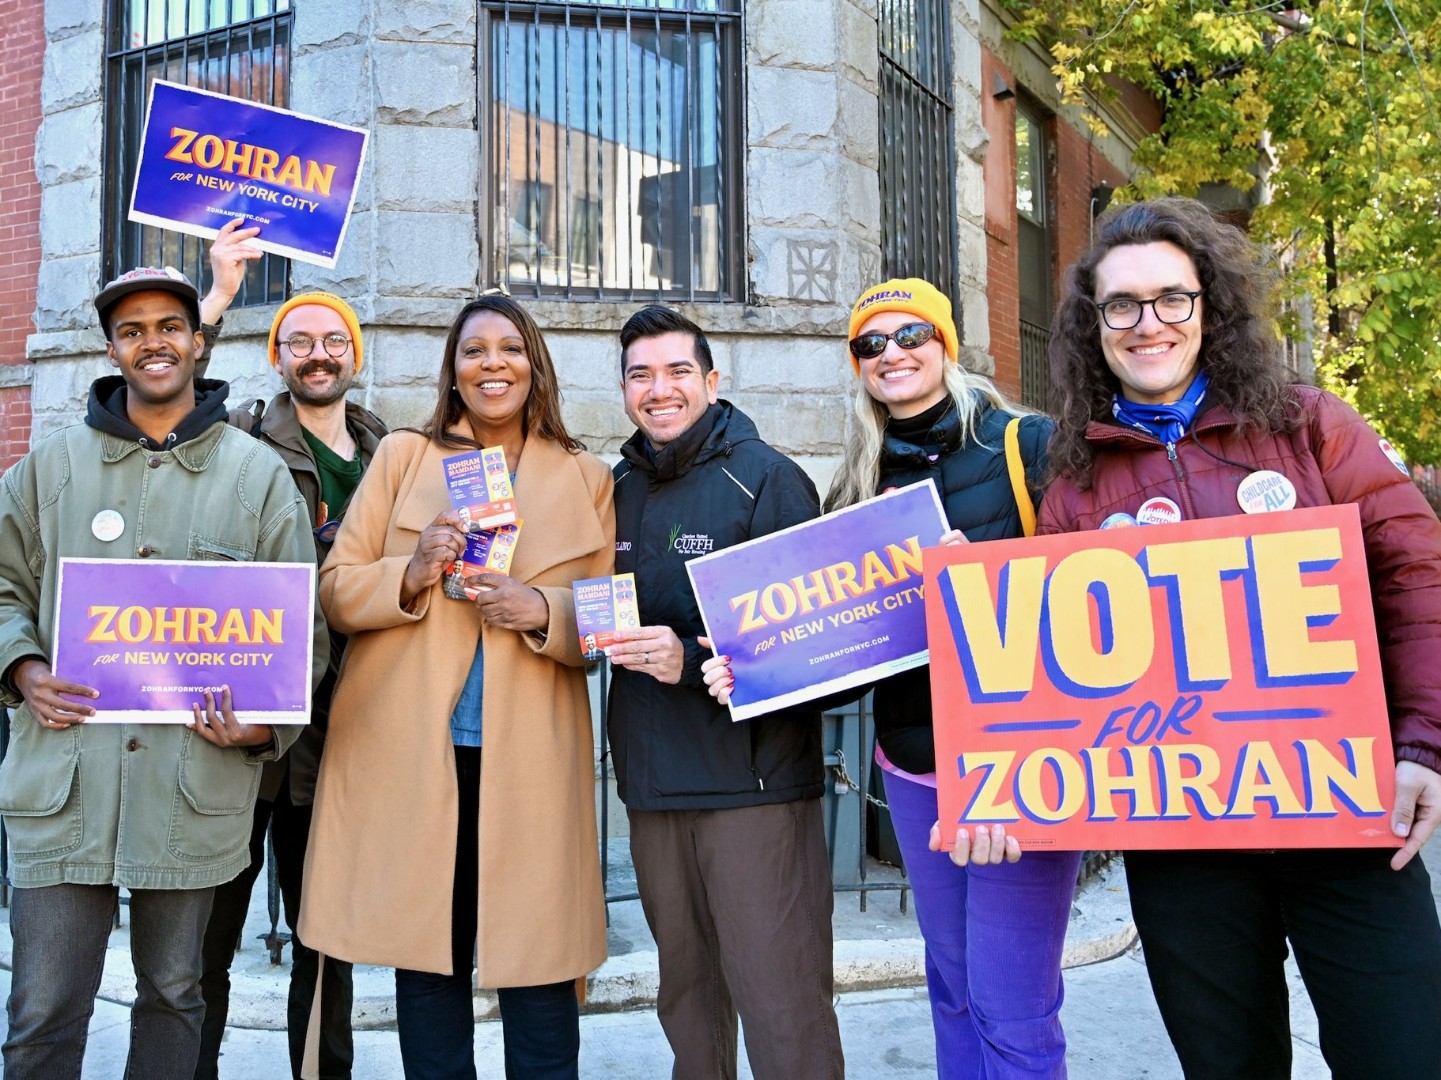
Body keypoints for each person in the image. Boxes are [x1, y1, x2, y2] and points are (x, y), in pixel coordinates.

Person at [1038, 196, 1441, 1078]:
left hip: (1344, 811)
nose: (1148, 323)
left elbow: (1415, 578)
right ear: (1092, 325)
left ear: (1208, 306)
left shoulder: (1308, 426)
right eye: (1120, 306)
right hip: (1183, 841)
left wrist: (1422, 746)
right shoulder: (1072, 482)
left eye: (1170, 298)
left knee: (1403, 1052)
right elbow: (1050, 666)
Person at [704, 279, 1082, 1078]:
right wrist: (756, 666)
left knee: (1011, 1002)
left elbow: (1087, 595)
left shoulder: (1028, 445)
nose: (892, 353)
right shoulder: (858, 486)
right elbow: (839, 662)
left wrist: (974, 586)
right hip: (912, 764)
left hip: (1022, 763)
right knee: (948, 985)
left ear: (946, 344)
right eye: (871, 343)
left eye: (912, 334)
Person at [0, 265, 325, 1079]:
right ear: (113, 349)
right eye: (134, 329)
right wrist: (24, 666)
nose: (154, 341)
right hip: (63, 787)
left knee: (177, 995)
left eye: (170, 325)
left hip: (192, 790)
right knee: (42, 1011)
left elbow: (299, 628)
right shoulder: (50, 469)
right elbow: (2, 585)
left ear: (198, 340)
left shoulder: (256, 477)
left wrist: (265, 725)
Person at [297, 295, 611, 1079]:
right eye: (474, 351)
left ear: (534, 364)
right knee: (427, 963)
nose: (491, 363)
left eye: (509, 348)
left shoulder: (587, 476)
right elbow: (335, 590)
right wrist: (410, 571)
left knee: (539, 971)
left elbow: (608, 618)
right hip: (413, 757)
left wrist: (545, 611)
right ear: (454, 371)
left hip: (532, 762)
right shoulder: (403, 458)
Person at [604, 304, 844, 1080]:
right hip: (649, 783)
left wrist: (694, 656)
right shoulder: (614, 489)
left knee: (782, 1007)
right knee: (688, 1007)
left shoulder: (768, 478)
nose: (659, 389)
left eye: (677, 372)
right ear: (624, 390)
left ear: (712, 380)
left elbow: (817, 651)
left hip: (754, 786)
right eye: (640, 374)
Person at [193, 260, 386, 1074]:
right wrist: (217, 300)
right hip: (242, 736)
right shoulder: (237, 435)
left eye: (333, 339)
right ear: (277, 356)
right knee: (204, 944)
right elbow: (162, 401)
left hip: (345, 736)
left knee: (326, 944)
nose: (317, 352)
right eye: (299, 340)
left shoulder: (392, 453)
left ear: (354, 355)